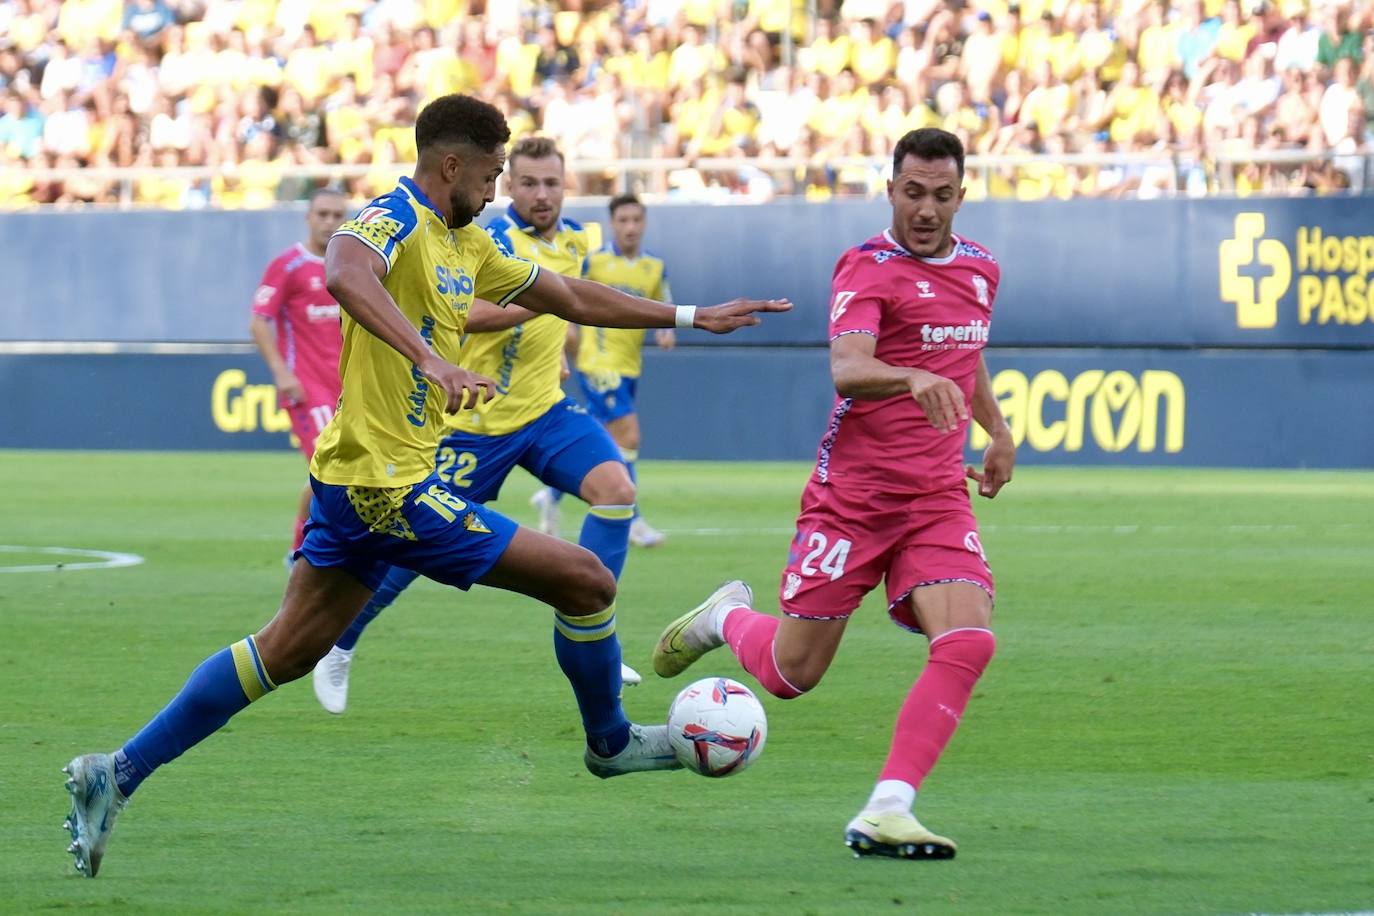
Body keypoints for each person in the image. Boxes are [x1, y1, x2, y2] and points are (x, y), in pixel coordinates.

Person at [61, 93, 789, 879]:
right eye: (492, 173)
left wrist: (689, 313)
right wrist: (430, 357)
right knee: (583, 581)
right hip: (383, 484)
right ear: (452, 166)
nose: (499, 187)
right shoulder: (396, 217)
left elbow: (568, 297)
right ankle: (609, 743)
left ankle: (116, 773)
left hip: (357, 479)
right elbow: (344, 269)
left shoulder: (466, 240)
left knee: (283, 651)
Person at [651, 128, 1014, 861]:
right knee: (792, 675)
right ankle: (728, 619)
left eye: (941, 195)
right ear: (891, 189)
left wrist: (997, 431)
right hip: (854, 497)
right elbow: (848, 368)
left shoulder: (982, 270)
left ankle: (888, 808)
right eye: (913, 192)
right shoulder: (866, 268)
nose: (926, 209)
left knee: (969, 639)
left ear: (961, 196)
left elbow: (963, 353)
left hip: (938, 496)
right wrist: (911, 377)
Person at [310, 136, 645, 713]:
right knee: (404, 555)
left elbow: (569, 305)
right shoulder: (482, 236)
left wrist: (563, 340)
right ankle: (340, 642)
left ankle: (591, 632)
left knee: (616, 491)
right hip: (477, 420)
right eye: (529, 182)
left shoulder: (573, 240)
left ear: (567, 186)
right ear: (509, 185)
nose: (542, 194)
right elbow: (463, 312)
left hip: (545, 410)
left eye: (552, 183)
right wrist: (547, 303)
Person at [532, 193, 675, 549]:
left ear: (644, 223)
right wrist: (567, 335)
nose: (630, 227)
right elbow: (565, 293)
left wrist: (667, 328)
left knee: (601, 438)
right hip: (598, 363)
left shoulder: (654, 267)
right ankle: (634, 519)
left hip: (629, 366)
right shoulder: (594, 262)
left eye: (636, 220)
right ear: (613, 224)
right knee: (629, 435)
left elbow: (663, 303)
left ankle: (550, 495)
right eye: (623, 220)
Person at [248, 187, 349, 563]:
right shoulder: (289, 265)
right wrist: (281, 374)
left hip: (346, 389)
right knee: (329, 466)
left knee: (339, 470)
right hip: (307, 389)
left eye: (337, 215)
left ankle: (324, 548)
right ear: (308, 217)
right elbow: (259, 321)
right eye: (322, 214)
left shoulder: (349, 266)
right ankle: (299, 552)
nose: (329, 222)